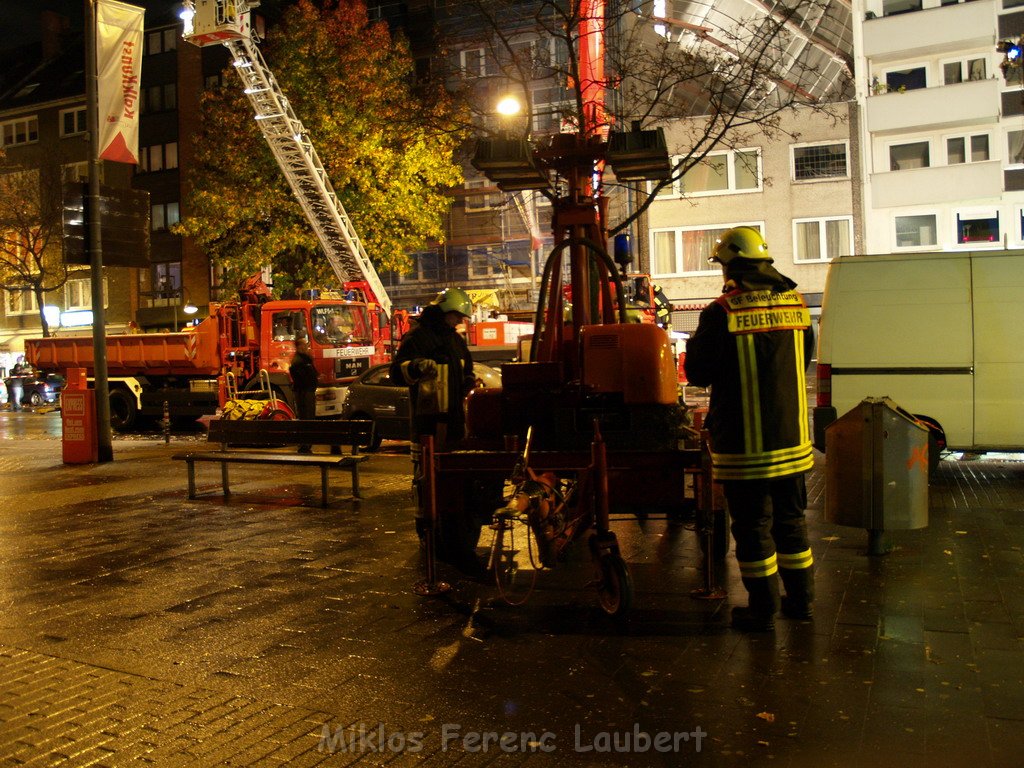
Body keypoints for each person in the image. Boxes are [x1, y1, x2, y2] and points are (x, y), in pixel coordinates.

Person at [684, 226, 816, 632]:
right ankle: (802, 603)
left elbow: (697, 373)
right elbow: (804, 359)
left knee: (752, 527)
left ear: (731, 266)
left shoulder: (721, 311)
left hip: (745, 445)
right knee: (791, 522)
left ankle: (762, 610)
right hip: (792, 441)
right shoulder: (797, 305)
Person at [390, 288, 481, 573]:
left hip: (453, 424)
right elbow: (396, 372)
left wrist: (468, 380)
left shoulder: (454, 341)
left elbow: (464, 368)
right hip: (428, 426)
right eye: (456, 316)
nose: (458, 322)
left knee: (454, 483)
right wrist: (415, 367)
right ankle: (429, 536)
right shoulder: (418, 338)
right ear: (445, 312)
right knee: (425, 481)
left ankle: (453, 539)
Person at [289, 335, 319, 454]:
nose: (307, 346)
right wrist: (314, 380)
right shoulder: (299, 361)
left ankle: (306, 445)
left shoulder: (304, 359)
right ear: (299, 346)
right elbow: (304, 378)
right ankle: (304, 446)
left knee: (307, 418)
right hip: (304, 393)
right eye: (304, 344)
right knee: (306, 418)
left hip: (307, 391)